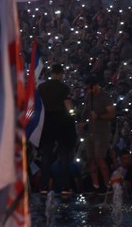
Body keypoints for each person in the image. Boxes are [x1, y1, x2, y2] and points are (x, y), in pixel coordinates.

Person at [37, 63, 77, 194]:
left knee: (46, 156)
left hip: (46, 122)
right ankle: (65, 187)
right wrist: (73, 114)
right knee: (64, 155)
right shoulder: (64, 88)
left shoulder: (41, 87)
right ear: (61, 74)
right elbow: (68, 106)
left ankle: (43, 186)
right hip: (61, 123)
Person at [81, 75, 115, 193]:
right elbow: (86, 111)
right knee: (91, 159)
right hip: (91, 132)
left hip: (102, 133)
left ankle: (107, 186)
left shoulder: (105, 97)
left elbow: (111, 115)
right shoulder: (88, 96)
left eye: (90, 88)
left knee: (100, 158)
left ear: (96, 85)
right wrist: (82, 120)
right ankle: (95, 185)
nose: (89, 91)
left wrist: (99, 116)